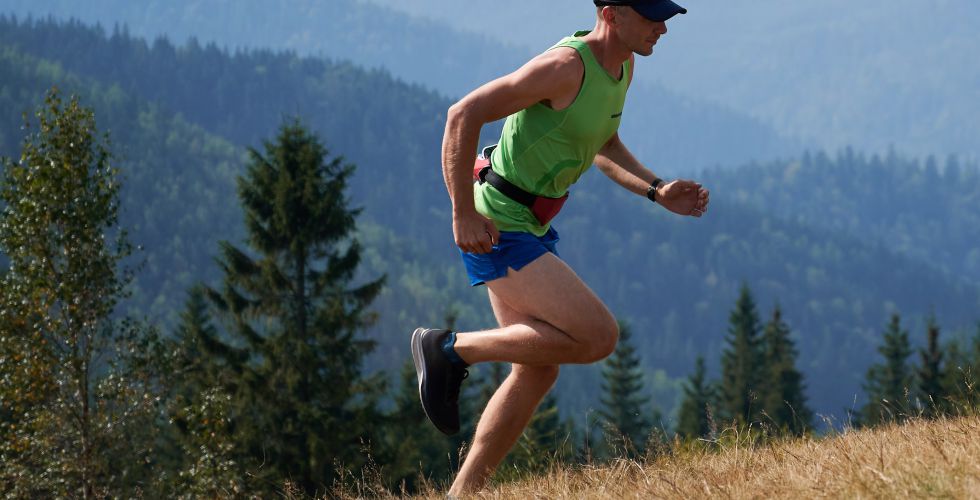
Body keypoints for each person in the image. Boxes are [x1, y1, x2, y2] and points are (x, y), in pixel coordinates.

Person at [411, 0, 709, 494]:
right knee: (599, 337)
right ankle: (448, 348)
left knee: (536, 371)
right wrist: (462, 211)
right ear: (611, 14)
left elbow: (602, 142)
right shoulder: (565, 67)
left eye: (664, 16)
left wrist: (657, 190)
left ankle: (462, 493)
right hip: (498, 224)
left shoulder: (622, 66)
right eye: (651, 16)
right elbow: (463, 114)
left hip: (529, 224)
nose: (662, 27)